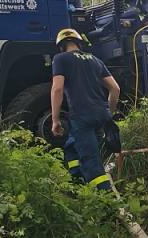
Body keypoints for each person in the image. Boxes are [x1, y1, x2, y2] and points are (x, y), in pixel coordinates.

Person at [51, 28, 121, 190]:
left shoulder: (60, 59)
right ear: (79, 43)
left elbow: (57, 89)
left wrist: (55, 120)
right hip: (101, 113)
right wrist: (108, 113)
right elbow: (115, 89)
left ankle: (106, 200)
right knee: (71, 145)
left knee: (91, 159)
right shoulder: (96, 60)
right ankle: (76, 178)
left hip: (82, 115)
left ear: (61, 46)